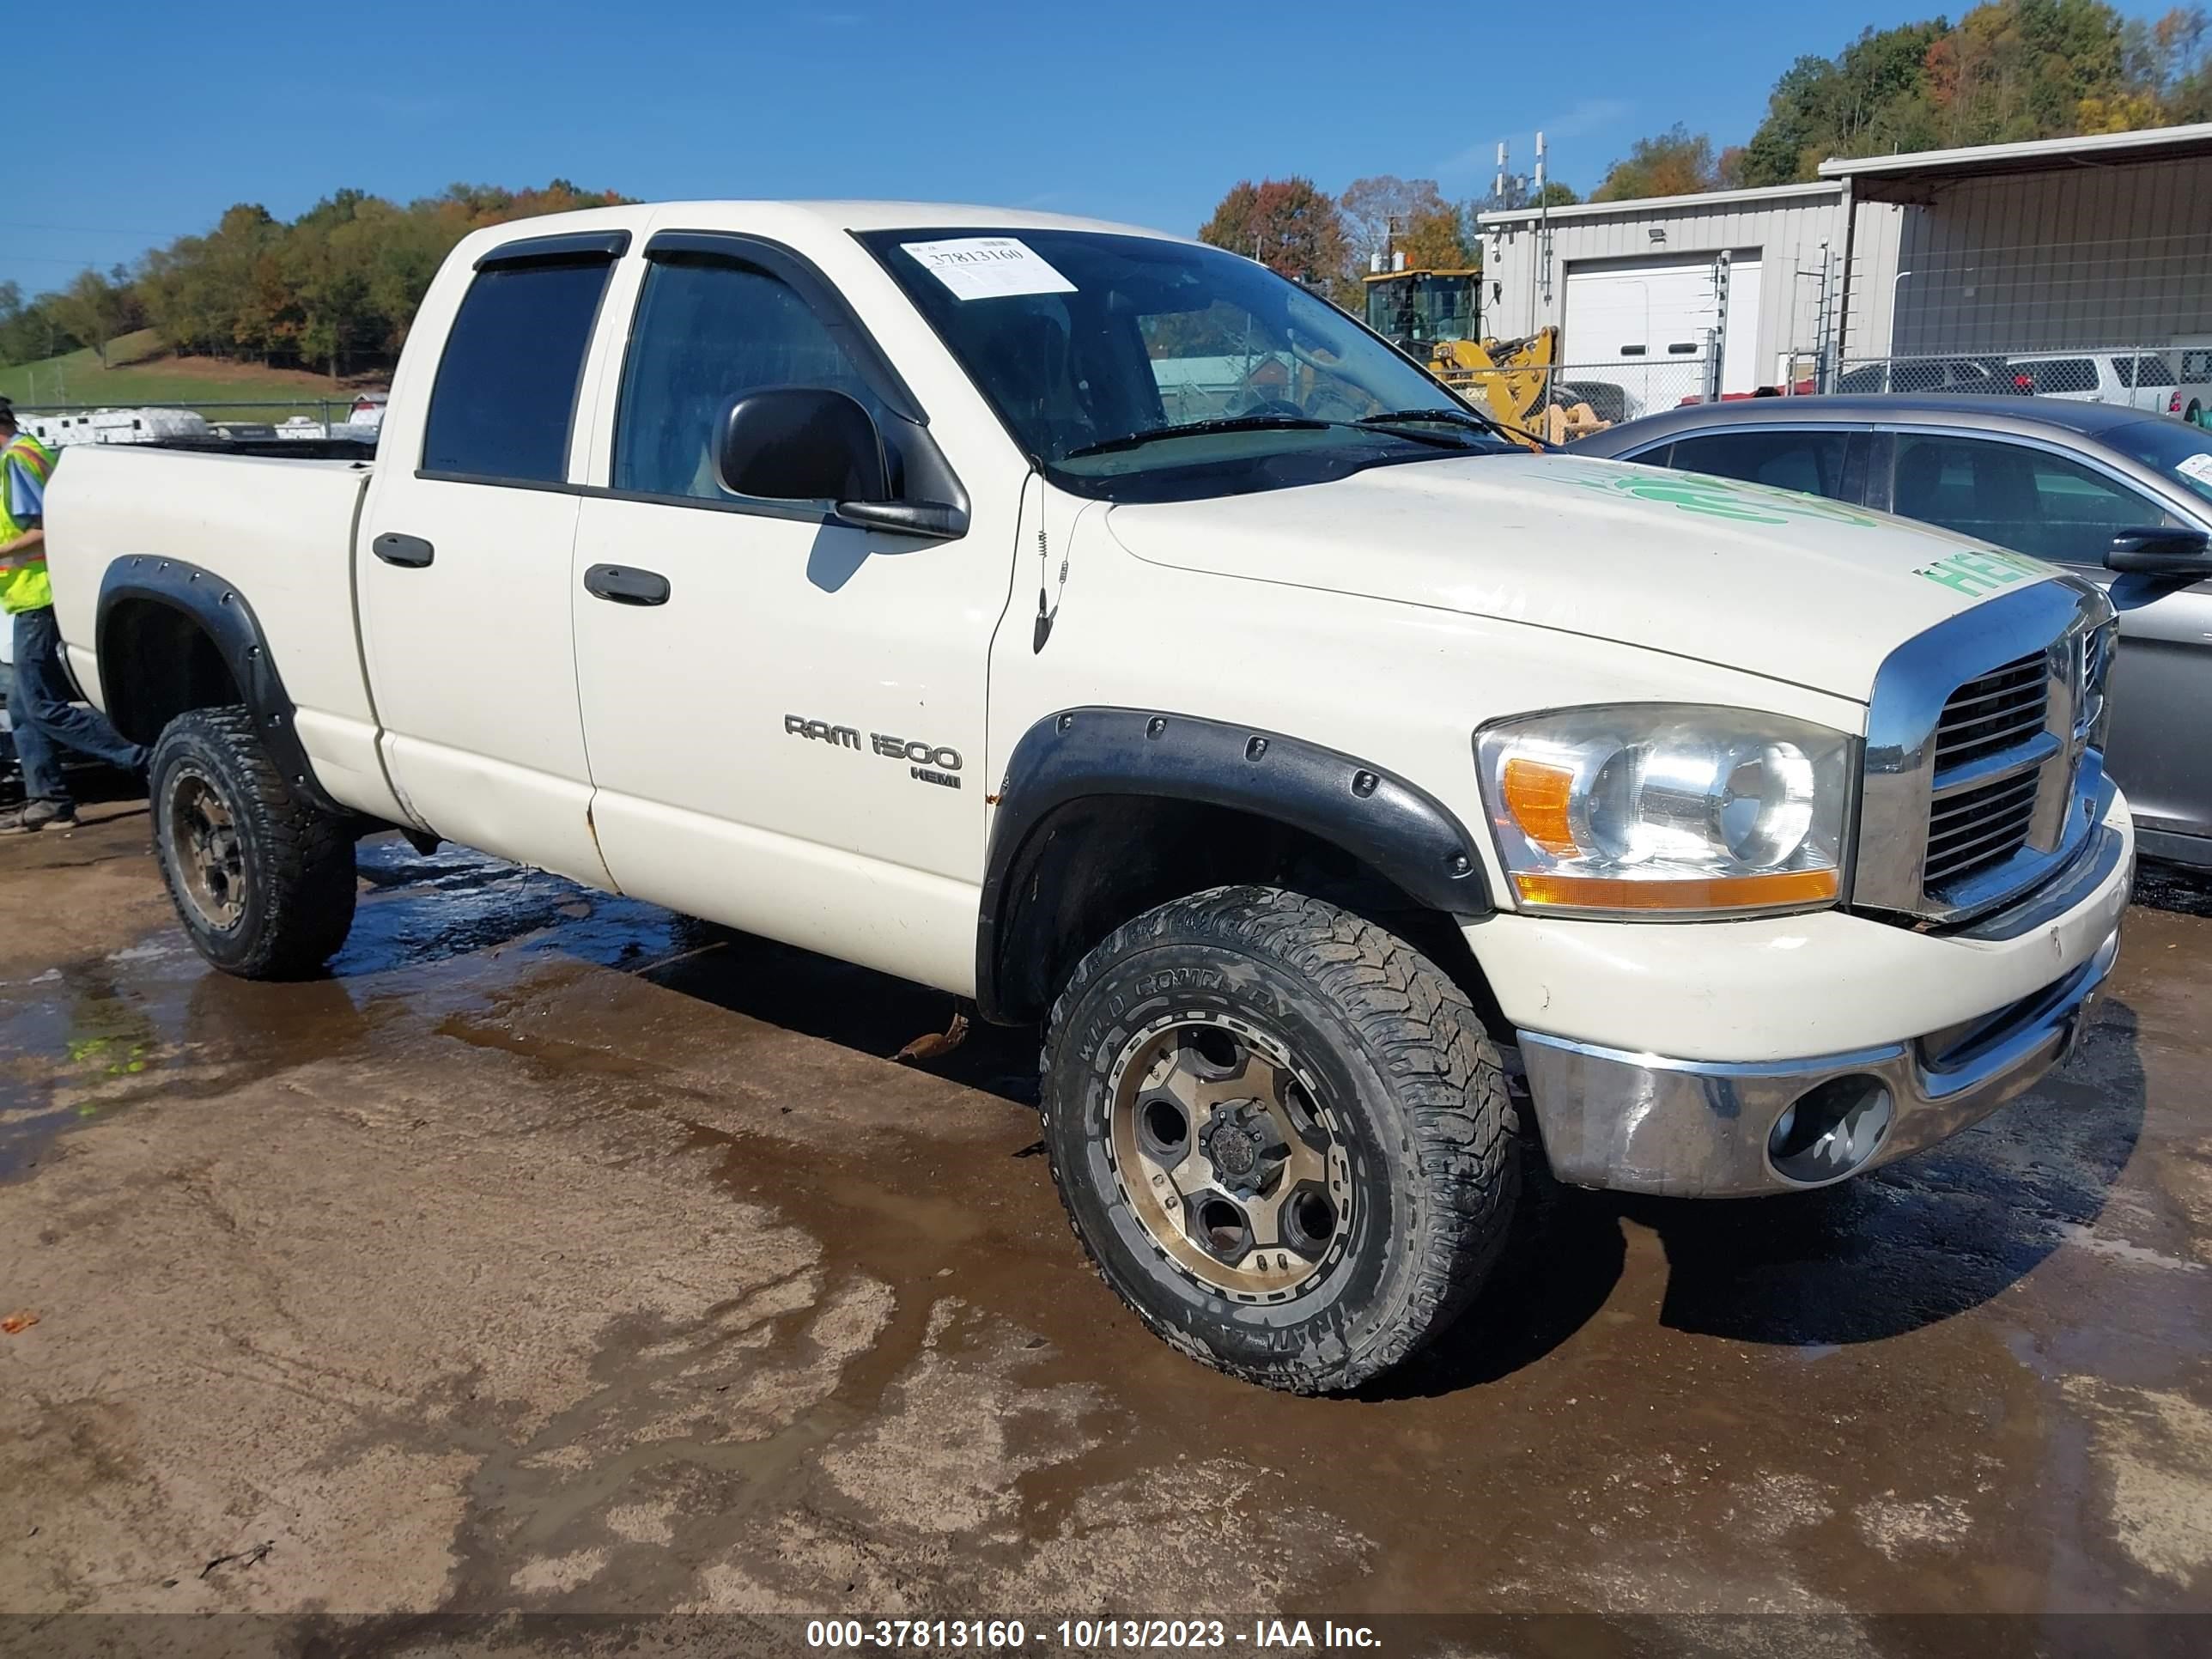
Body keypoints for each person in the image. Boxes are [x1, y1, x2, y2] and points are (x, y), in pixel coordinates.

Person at [0, 398, 148, 833]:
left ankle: (147, 759)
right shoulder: (26, 453)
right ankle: (47, 799)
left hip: (40, 597)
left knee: (42, 706)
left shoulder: (15, 461)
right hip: (33, 596)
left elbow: (46, 529)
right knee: (24, 706)